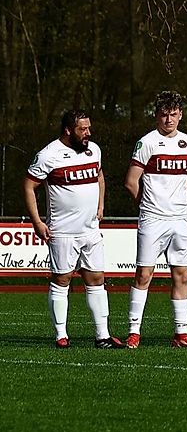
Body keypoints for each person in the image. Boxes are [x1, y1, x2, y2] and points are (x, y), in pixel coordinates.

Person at [24, 110, 125, 349]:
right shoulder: (49, 155)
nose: (88, 133)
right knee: (62, 279)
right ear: (69, 130)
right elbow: (29, 187)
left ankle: (103, 336)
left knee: (97, 279)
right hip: (63, 231)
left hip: (90, 229)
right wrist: (37, 222)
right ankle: (61, 335)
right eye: (83, 129)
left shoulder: (94, 150)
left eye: (89, 128)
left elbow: (99, 176)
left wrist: (101, 203)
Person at [124, 91, 187, 349]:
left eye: (173, 114)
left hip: (180, 218)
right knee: (144, 274)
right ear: (156, 115)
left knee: (182, 275)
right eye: (163, 114)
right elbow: (131, 182)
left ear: (180, 115)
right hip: (153, 219)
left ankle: (181, 334)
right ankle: (134, 333)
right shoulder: (147, 142)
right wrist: (148, 205)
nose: (169, 119)